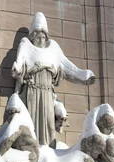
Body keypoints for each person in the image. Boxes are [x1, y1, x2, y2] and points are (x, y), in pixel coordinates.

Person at [12, 12, 95, 146]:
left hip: (47, 95)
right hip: (32, 93)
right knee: (32, 122)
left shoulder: (53, 48)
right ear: (33, 36)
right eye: (38, 37)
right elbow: (20, 63)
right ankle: (31, 149)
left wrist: (84, 77)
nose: (40, 40)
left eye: (43, 37)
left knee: (49, 124)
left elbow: (70, 69)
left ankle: (49, 152)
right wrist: (17, 69)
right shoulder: (26, 45)